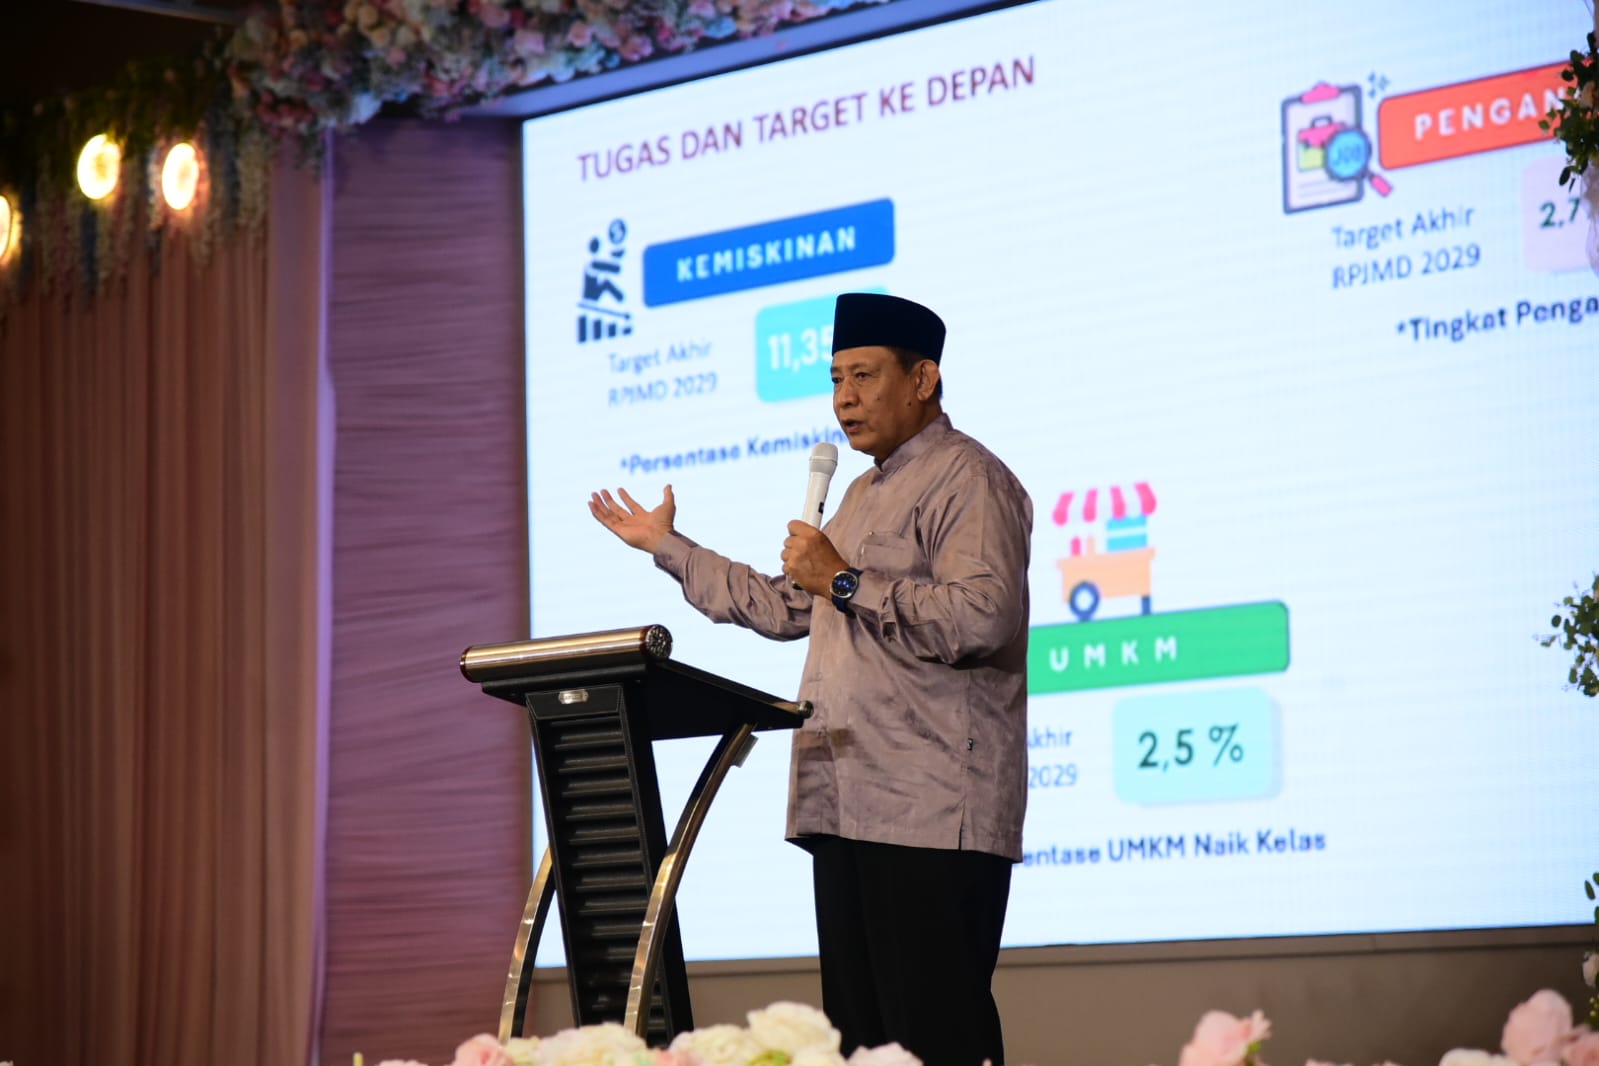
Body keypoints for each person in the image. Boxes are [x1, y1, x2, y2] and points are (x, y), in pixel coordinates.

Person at [589, 293, 1032, 1066]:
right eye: (834, 379)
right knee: (860, 1046)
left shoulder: (970, 478)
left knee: (936, 1040)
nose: (843, 399)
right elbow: (786, 604)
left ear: (922, 379)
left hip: (929, 812)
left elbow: (981, 618)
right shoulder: (859, 495)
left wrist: (845, 581)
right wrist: (669, 546)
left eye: (863, 376)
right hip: (846, 803)